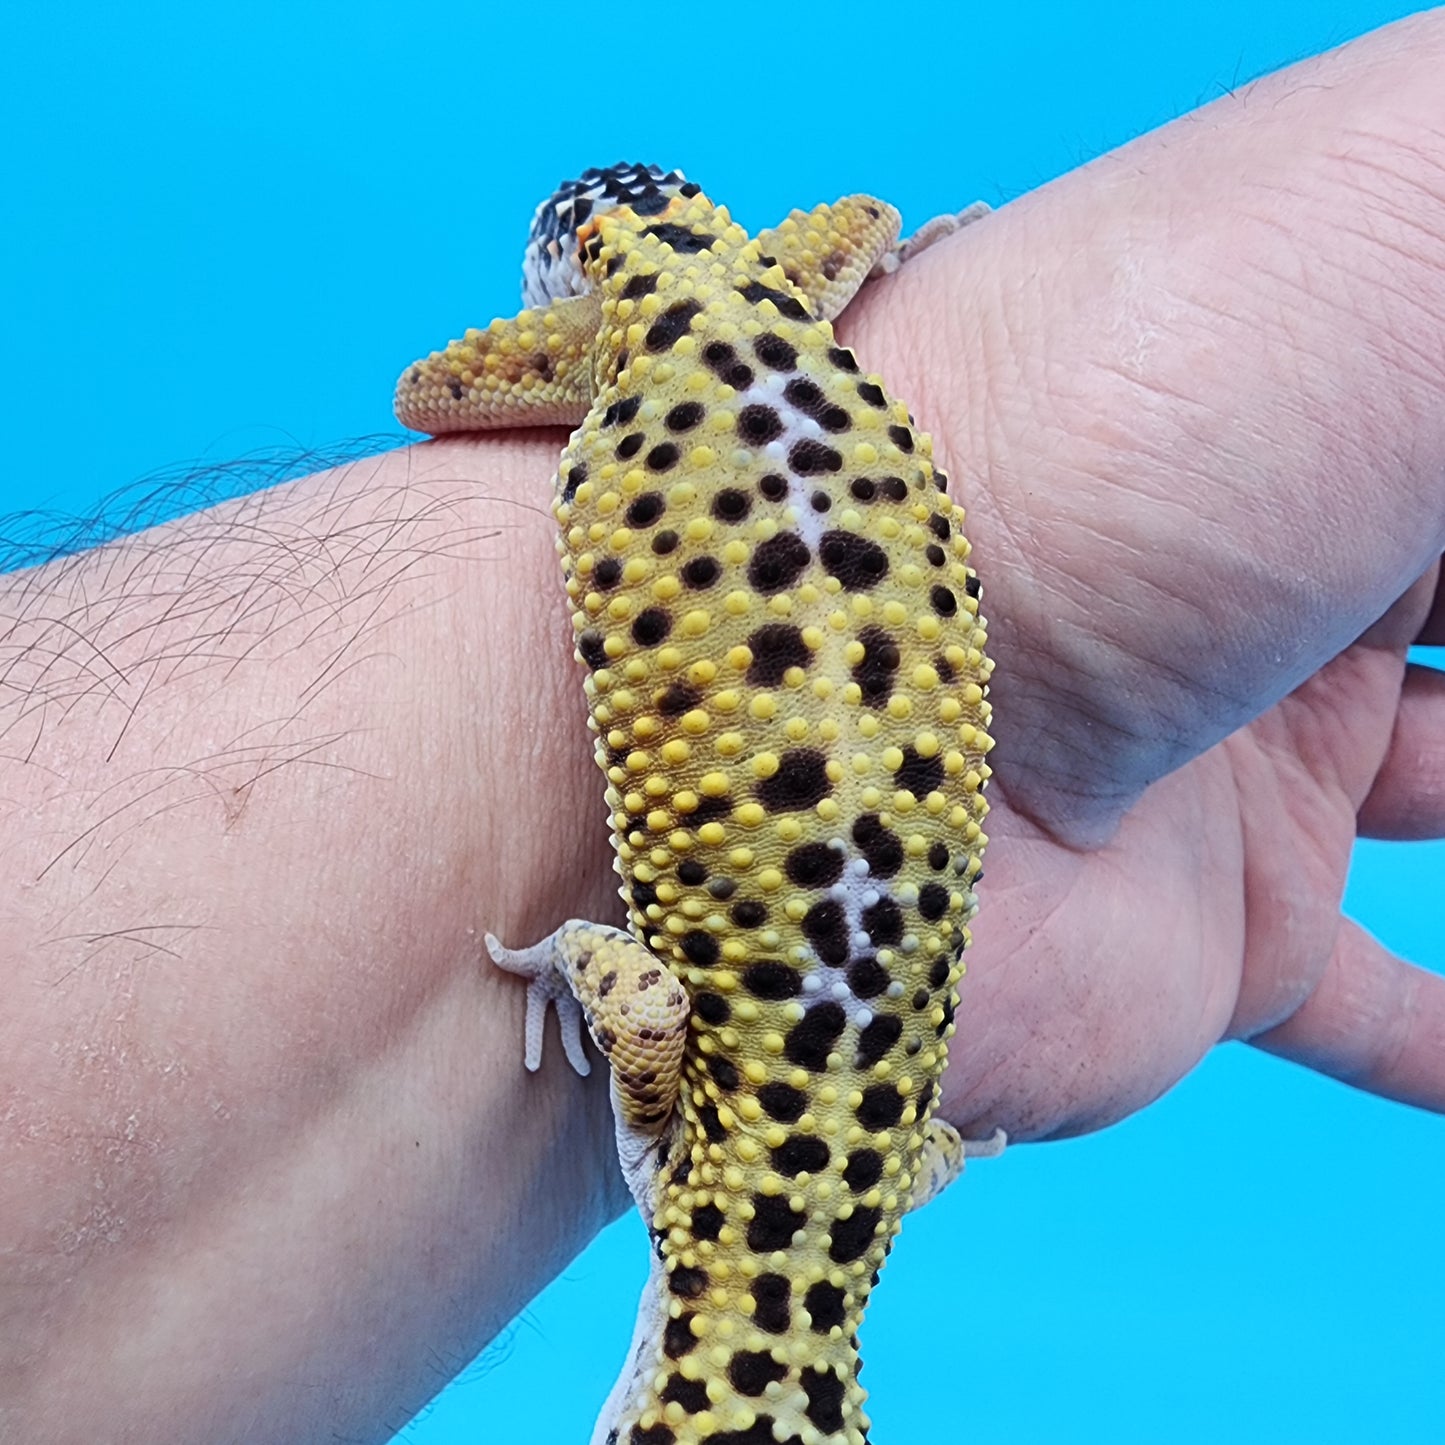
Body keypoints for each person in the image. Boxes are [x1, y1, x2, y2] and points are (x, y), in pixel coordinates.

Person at [3, 14, 1442, 1443]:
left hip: (810, 656)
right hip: (764, 535)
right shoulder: (699, 1178)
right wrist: (565, 942)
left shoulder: (874, 1189)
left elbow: (888, 1134)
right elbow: (622, 988)